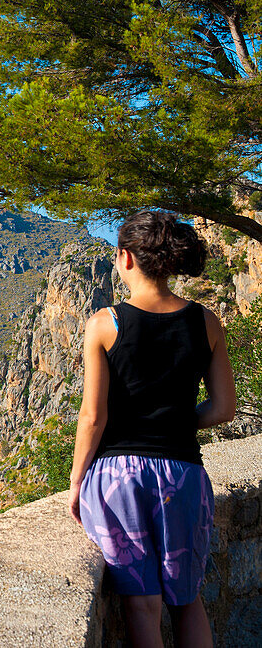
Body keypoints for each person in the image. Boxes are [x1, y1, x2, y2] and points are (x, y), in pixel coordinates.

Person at [68, 210, 237, 648]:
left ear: (125, 257)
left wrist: (75, 481)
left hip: (117, 478)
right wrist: (176, 424)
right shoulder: (206, 321)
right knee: (187, 600)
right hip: (183, 472)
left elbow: (92, 417)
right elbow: (223, 409)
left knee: (142, 605)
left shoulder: (106, 323)